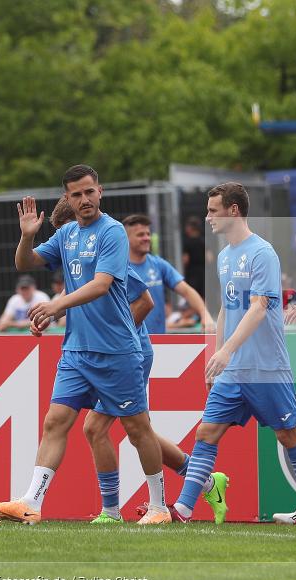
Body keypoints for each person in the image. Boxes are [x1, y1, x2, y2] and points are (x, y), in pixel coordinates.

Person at [0, 164, 170, 525]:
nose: (84, 199)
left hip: (117, 352)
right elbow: (26, 262)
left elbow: (102, 284)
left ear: (100, 191)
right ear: (67, 198)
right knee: (55, 422)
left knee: (138, 429)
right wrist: (26, 237)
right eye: (76, 194)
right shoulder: (67, 233)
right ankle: (32, 503)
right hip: (76, 352)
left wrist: (56, 306)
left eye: (89, 191)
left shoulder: (112, 232)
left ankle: (159, 507)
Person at [44, 197, 230, 524]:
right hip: (111, 352)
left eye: (69, 232)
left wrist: (113, 335)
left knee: (128, 428)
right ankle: (200, 480)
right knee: (115, 429)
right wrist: (53, 314)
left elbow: (145, 302)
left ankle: (128, 509)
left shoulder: (113, 261)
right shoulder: (85, 261)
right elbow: (74, 297)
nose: (70, 242)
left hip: (126, 353)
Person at [171, 182, 296, 524]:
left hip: (266, 368)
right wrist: (217, 358)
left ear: (233, 210)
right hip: (233, 369)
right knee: (206, 433)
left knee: (288, 435)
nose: (208, 217)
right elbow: (226, 308)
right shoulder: (224, 256)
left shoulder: (262, 253)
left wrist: (226, 351)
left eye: (213, 210)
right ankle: (183, 509)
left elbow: (259, 308)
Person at [123, 214, 213, 335]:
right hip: (130, 342)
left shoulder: (158, 264)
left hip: (159, 341)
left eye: (148, 234)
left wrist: (205, 314)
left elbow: (187, 291)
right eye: (140, 235)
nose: (146, 238)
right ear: (126, 238)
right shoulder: (119, 268)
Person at [181, 216, 207, 299]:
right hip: (203, 272)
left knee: (193, 295)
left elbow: (185, 260)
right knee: (203, 295)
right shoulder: (203, 241)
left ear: (191, 228)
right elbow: (209, 257)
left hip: (192, 273)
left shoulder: (187, 242)